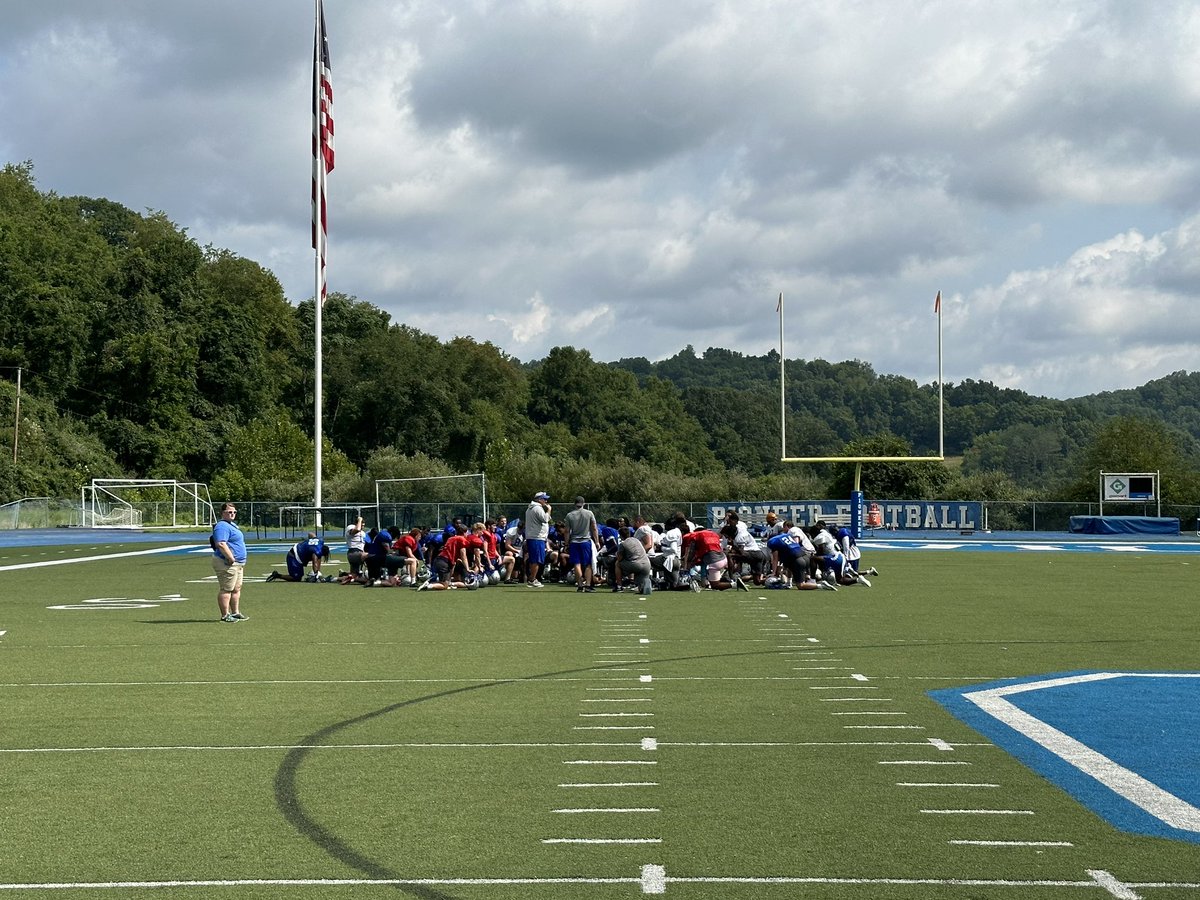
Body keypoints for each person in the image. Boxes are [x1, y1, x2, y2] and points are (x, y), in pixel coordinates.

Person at [210, 502, 248, 622]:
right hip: (227, 562)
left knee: (236, 588)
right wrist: (230, 557)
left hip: (238, 563)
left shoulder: (232, 525)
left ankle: (235, 612)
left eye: (234, 512)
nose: (232, 514)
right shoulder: (222, 526)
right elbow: (221, 543)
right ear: (223, 513)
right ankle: (225, 615)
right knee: (226, 589)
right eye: (229, 512)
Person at [766, 528, 837, 591]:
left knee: (801, 585)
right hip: (805, 556)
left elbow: (775, 559)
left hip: (798, 560)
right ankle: (789, 583)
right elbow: (788, 561)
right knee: (788, 562)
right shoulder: (785, 536)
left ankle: (821, 585)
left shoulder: (772, 542)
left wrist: (774, 573)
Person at [565, 496, 600, 593]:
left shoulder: (569, 515)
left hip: (574, 542)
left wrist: (566, 544)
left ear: (574, 504)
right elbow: (594, 528)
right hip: (585, 541)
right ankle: (588, 585)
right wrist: (597, 541)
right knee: (588, 564)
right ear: (583, 503)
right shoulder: (589, 513)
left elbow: (567, 531)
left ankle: (580, 585)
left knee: (577, 564)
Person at [266, 532, 330, 582]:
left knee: (317, 559)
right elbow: (314, 562)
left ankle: (316, 573)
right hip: (294, 556)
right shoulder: (316, 552)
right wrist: (316, 574)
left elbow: (311, 534)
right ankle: (277, 575)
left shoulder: (320, 541)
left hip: (298, 552)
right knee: (296, 578)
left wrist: (307, 545)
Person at [613, 525, 653, 594]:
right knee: (641, 584)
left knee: (617, 564)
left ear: (620, 535)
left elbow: (620, 558)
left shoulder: (623, 544)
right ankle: (644, 585)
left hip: (635, 565)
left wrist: (617, 554)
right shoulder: (637, 540)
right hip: (646, 564)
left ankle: (619, 586)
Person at [524, 491, 552, 587]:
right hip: (537, 537)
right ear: (539, 499)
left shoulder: (531, 508)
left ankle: (532, 578)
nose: (546, 500)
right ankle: (532, 579)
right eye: (544, 499)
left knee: (534, 559)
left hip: (534, 537)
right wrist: (549, 510)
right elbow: (545, 519)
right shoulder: (537, 508)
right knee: (536, 559)